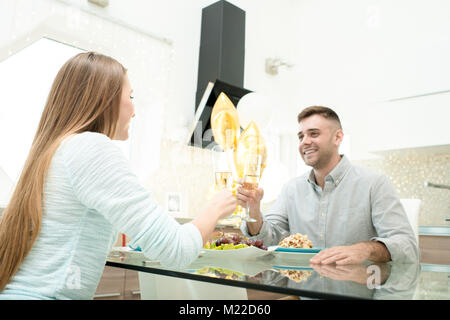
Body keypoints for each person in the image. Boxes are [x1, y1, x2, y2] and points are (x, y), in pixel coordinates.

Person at [0, 52, 237, 300]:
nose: (134, 110)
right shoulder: (90, 147)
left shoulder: (53, 151)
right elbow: (176, 250)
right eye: (130, 97)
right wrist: (215, 209)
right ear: (105, 99)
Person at [237, 106, 419, 265]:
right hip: (303, 292)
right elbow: (268, 240)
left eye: (313, 134)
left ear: (338, 137)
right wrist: (253, 211)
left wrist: (366, 249)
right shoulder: (291, 189)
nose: (304, 142)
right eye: (301, 136)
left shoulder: (374, 183)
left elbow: (407, 246)